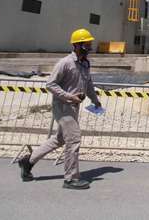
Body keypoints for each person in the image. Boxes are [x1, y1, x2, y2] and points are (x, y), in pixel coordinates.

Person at [18, 28, 102, 190]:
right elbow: (50, 84)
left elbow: (88, 83)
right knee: (74, 139)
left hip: (73, 107)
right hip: (63, 106)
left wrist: (95, 100)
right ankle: (70, 179)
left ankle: (28, 162)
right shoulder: (65, 63)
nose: (91, 46)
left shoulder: (85, 63)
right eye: (88, 43)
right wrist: (69, 97)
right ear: (78, 45)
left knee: (60, 139)